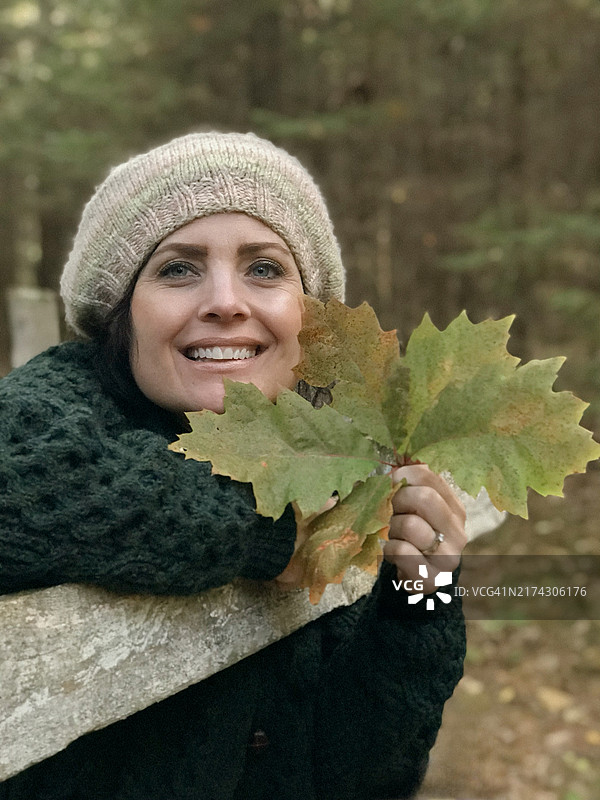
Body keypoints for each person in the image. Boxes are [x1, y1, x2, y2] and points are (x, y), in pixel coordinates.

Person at [0, 131, 467, 800]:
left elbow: (364, 776)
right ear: (119, 311)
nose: (226, 301)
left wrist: (420, 595)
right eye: (178, 269)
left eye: (265, 268)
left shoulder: (333, 457)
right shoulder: (52, 413)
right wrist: (272, 525)